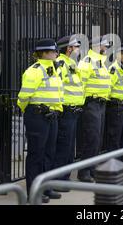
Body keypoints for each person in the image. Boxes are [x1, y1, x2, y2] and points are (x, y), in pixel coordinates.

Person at [17, 39, 64, 202]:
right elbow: (23, 96)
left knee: (49, 154)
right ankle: (34, 192)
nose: (56, 54)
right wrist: (29, 111)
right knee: (36, 154)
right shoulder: (34, 71)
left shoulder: (54, 69)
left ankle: (46, 187)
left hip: (52, 116)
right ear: (43, 53)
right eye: (53, 51)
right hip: (37, 116)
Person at [76, 37, 111, 183]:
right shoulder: (88, 61)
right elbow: (81, 84)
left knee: (97, 140)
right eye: (105, 45)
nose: (106, 47)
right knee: (91, 138)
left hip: (101, 104)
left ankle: (92, 169)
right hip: (91, 103)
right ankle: (84, 171)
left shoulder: (101, 61)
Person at [53, 36, 84, 187]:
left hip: (74, 110)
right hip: (66, 110)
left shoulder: (72, 63)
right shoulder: (61, 63)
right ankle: (59, 179)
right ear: (68, 48)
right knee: (64, 146)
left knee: (70, 146)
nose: (78, 49)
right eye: (75, 46)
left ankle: (65, 177)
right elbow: (58, 85)